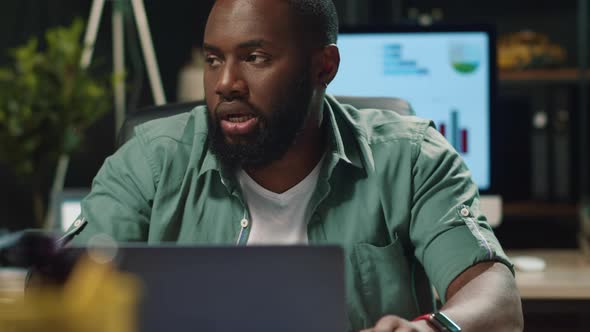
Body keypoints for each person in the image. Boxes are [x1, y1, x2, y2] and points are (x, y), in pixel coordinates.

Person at [72, 0, 523, 331]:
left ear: (323, 67)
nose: (226, 83)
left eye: (255, 58)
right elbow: (61, 287)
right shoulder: (151, 159)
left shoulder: (410, 158)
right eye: (214, 60)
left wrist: (429, 329)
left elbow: (498, 301)